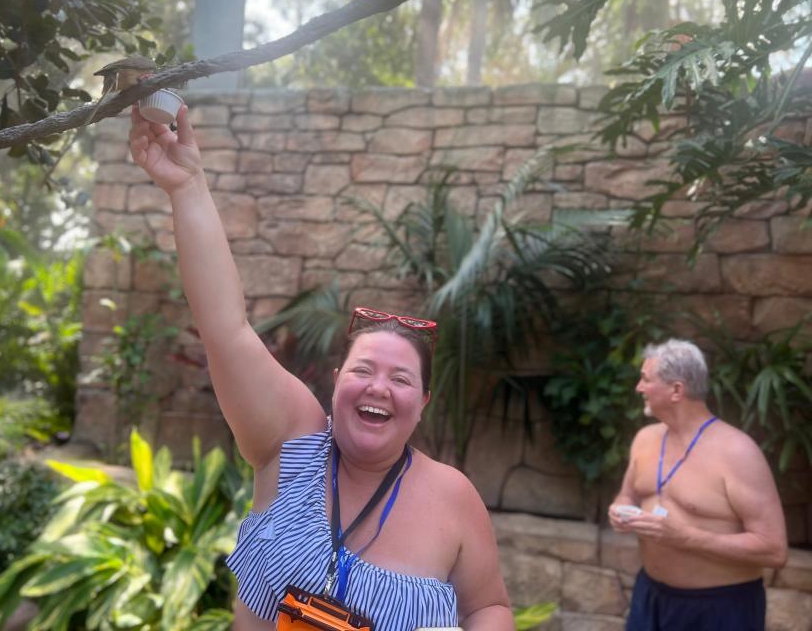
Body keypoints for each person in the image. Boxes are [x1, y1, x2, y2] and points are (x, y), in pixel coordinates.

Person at [127, 105, 514, 631]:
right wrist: (188, 186)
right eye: (363, 370)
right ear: (337, 384)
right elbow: (226, 330)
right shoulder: (291, 442)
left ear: (422, 403)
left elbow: (488, 607)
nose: (379, 386)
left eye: (401, 379)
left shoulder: (453, 497)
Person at [608, 339, 788, 631]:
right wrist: (620, 507)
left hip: (720, 607)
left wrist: (688, 537)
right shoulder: (645, 439)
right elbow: (628, 493)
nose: (638, 388)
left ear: (677, 390)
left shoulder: (738, 452)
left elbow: (774, 550)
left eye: (645, 379)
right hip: (649, 596)